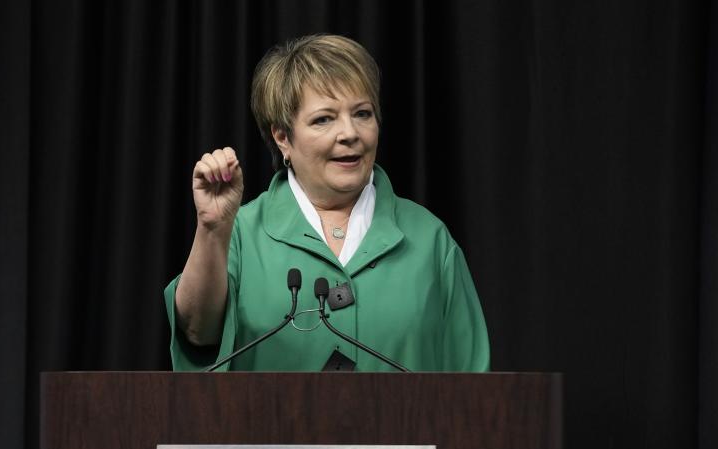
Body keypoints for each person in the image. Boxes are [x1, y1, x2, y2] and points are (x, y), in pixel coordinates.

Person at [164, 34, 489, 371]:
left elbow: (475, 389)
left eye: (362, 113)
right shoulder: (241, 234)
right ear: (282, 137)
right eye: (324, 119)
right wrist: (212, 229)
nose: (349, 133)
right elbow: (196, 332)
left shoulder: (429, 238)